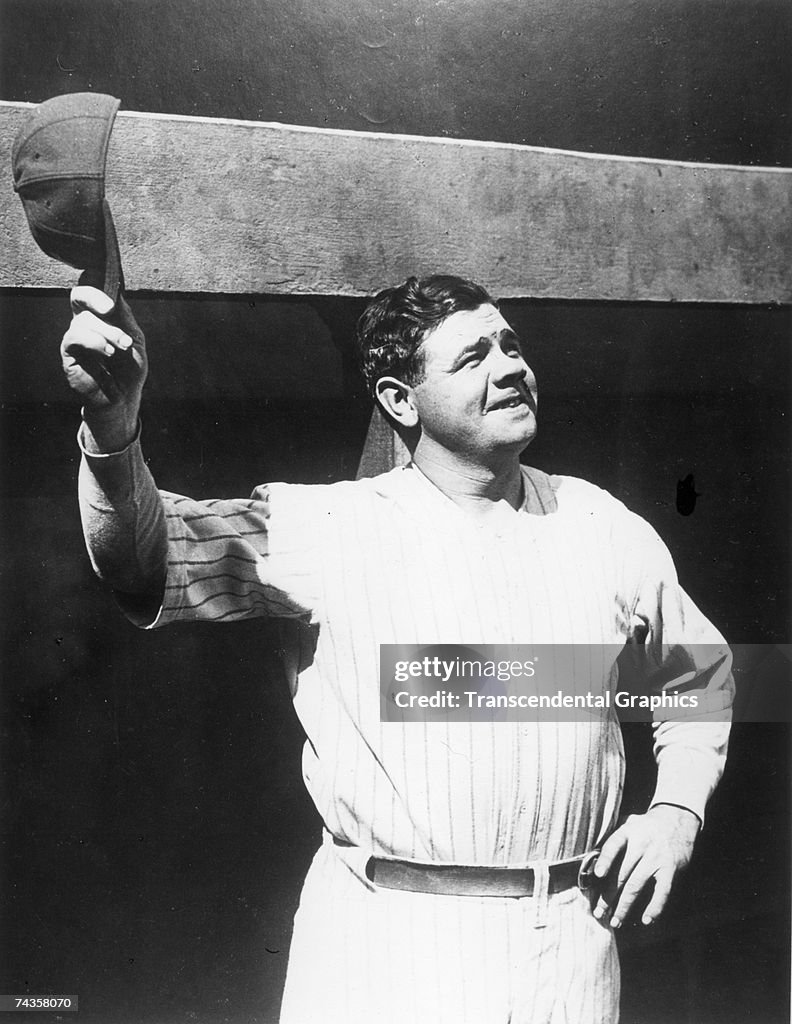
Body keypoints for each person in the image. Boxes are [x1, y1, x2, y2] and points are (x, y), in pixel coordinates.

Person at [62, 274, 733, 1024]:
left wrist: (676, 813)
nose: (510, 366)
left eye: (511, 345)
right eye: (473, 356)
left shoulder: (601, 524)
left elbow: (700, 672)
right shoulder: (328, 527)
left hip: (571, 950)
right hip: (389, 945)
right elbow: (145, 558)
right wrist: (112, 432)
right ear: (400, 402)